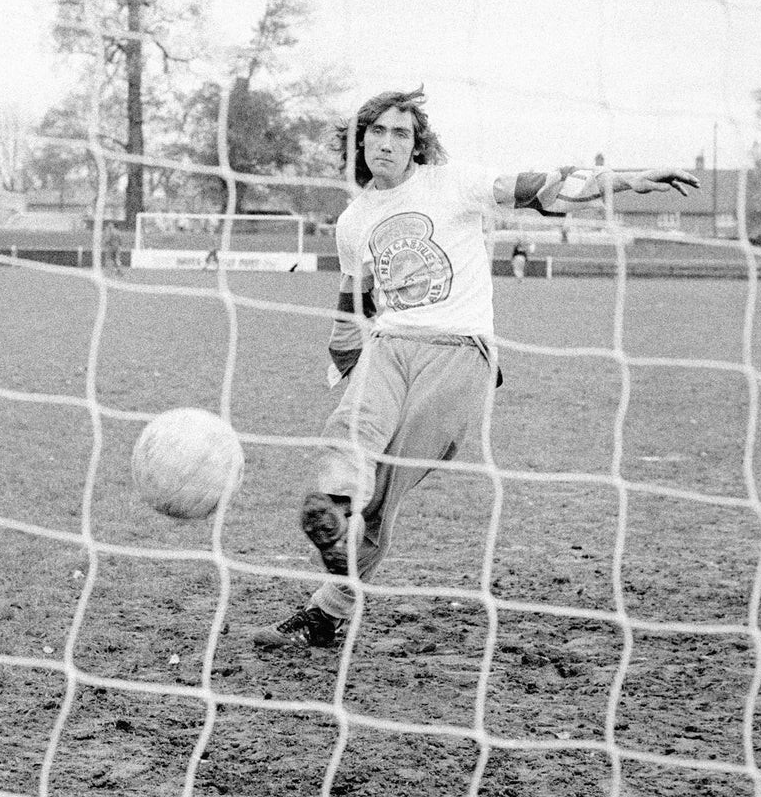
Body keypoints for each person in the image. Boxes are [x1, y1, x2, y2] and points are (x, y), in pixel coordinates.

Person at [252, 87, 699, 649]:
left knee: (382, 494)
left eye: (401, 134)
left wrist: (626, 179)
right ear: (358, 140)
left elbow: (546, 185)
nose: (388, 143)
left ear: (417, 145)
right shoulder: (353, 221)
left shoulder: (453, 183)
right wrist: (343, 365)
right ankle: (331, 516)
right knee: (344, 442)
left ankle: (330, 602)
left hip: (461, 351)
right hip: (389, 347)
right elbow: (354, 301)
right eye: (377, 132)